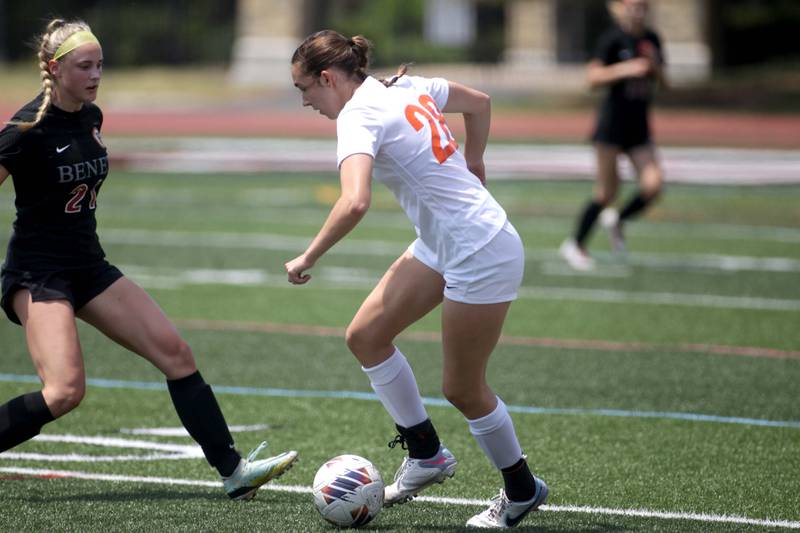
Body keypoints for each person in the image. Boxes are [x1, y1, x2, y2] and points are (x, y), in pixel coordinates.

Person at [0, 19, 298, 500]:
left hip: (89, 267)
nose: (96, 74)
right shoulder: (23, 131)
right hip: (39, 274)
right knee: (64, 392)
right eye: (84, 66)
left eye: (100, 64)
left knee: (176, 354)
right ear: (54, 69)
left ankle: (234, 472)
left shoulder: (91, 116)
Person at [286, 29, 548, 528]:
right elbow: (480, 103)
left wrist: (308, 255)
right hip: (444, 242)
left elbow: (354, 201)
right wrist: (474, 159)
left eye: (305, 90)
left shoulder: (358, 116)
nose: (305, 102)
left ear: (327, 78)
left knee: (463, 388)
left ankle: (522, 489)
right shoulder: (403, 87)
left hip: (480, 248)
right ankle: (426, 455)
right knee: (366, 336)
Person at [560, 0, 667, 270]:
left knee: (653, 185)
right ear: (620, 7)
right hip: (612, 126)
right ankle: (575, 244)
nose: (638, 10)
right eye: (633, 5)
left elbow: (665, 82)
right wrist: (626, 68)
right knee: (607, 192)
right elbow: (592, 78)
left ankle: (618, 220)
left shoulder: (652, 39)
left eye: (643, 5)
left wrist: (654, 68)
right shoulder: (612, 39)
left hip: (639, 126)